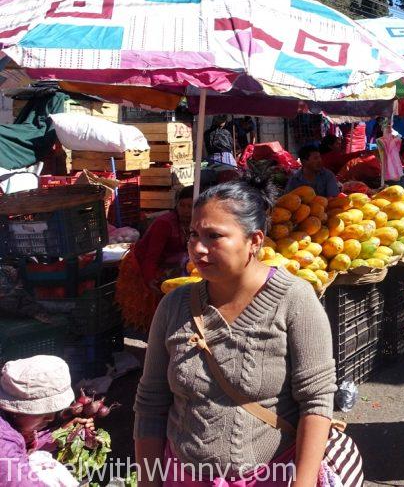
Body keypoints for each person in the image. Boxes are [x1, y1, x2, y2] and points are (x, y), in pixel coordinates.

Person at [134, 175, 337, 487]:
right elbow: (151, 404)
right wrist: (148, 482)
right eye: (193, 235)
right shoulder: (173, 306)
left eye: (214, 236)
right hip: (181, 477)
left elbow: (316, 400)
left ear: (254, 241)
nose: (198, 249)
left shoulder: (294, 299)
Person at [114, 186, 195, 331]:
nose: (186, 211)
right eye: (182, 205)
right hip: (147, 263)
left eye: (190, 206)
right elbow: (151, 256)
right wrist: (150, 280)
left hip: (174, 262)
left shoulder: (196, 222)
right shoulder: (164, 224)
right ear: (176, 205)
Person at [0, 355, 76, 487]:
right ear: (17, 410)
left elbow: (20, 446)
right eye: (43, 413)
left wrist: (59, 436)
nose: (51, 418)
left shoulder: (9, 424)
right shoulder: (4, 448)